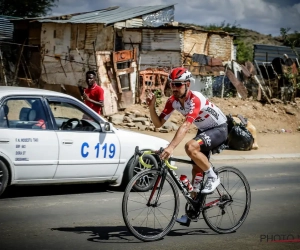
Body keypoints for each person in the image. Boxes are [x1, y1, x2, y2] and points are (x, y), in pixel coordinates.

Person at [146, 67, 228, 226]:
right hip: (205, 130)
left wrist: (170, 148)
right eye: (172, 84)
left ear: (187, 84)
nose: (174, 88)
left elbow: (185, 126)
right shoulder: (173, 102)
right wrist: (151, 107)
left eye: (178, 84)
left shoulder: (195, 99)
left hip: (219, 128)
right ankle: (192, 213)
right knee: (196, 173)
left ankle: (213, 176)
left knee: (190, 147)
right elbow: (158, 124)